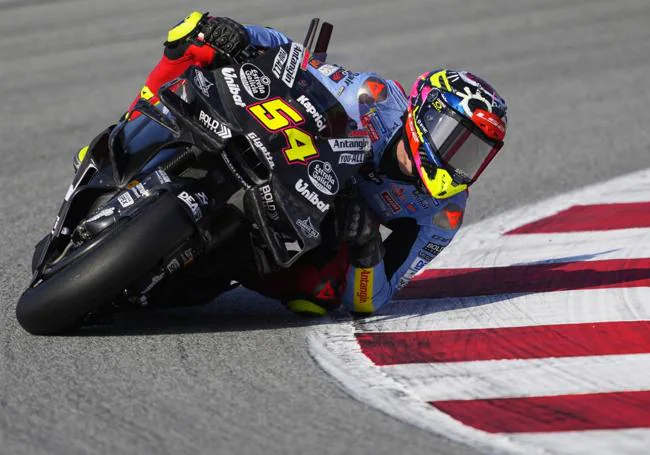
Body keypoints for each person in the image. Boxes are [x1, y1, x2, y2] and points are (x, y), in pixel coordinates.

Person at [76, 12, 508, 316]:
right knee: (195, 42)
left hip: (314, 222)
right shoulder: (374, 98)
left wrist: (367, 250)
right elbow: (297, 60)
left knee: (319, 296)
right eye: (455, 140)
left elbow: (372, 300)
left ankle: (206, 265)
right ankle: (122, 135)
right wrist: (241, 35)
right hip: (285, 148)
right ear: (425, 115)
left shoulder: (443, 213)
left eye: (474, 152)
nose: (458, 159)